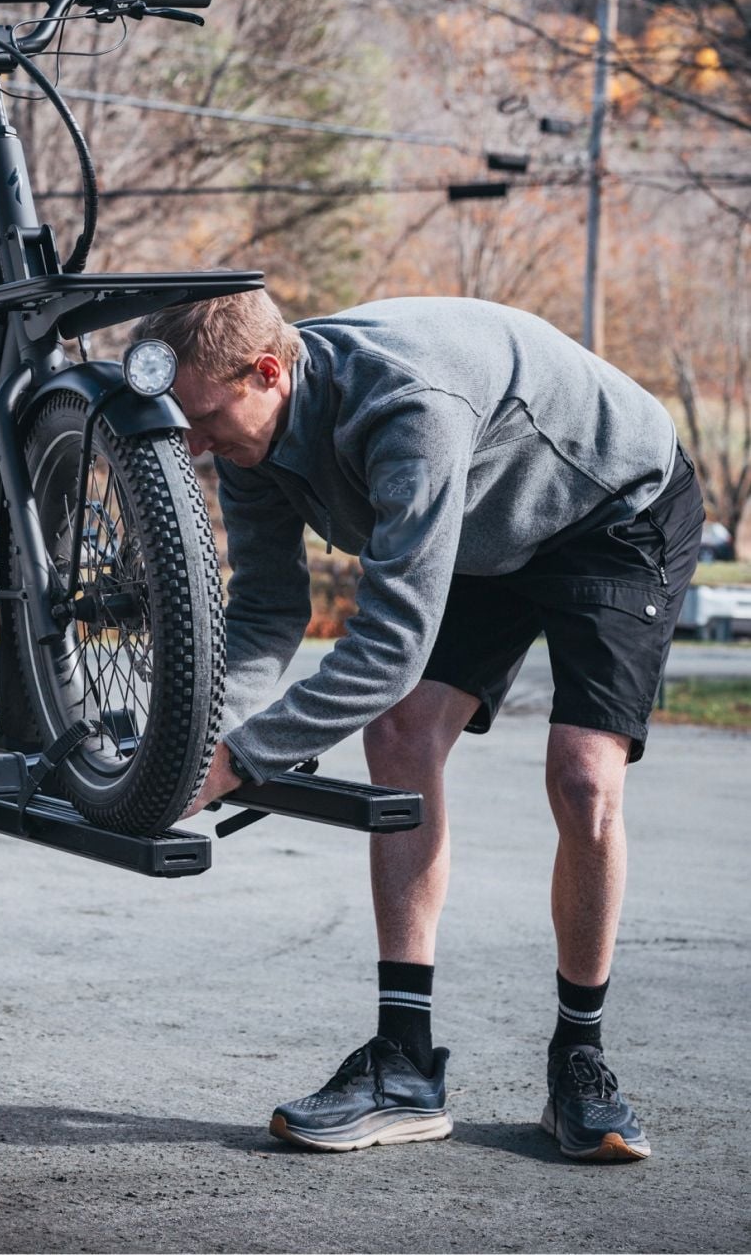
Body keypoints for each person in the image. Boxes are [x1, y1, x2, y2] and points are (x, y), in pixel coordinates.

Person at [132, 290, 704, 1162]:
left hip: (611, 510)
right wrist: (188, 744)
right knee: (399, 736)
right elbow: (265, 617)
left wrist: (239, 761)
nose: (197, 447)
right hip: (479, 522)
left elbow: (391, 643)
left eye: (205, 420)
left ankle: (579, 1059)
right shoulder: (249, 439)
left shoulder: (407, 408)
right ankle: (404, 1064)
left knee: (584, 778)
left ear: (270, 372)